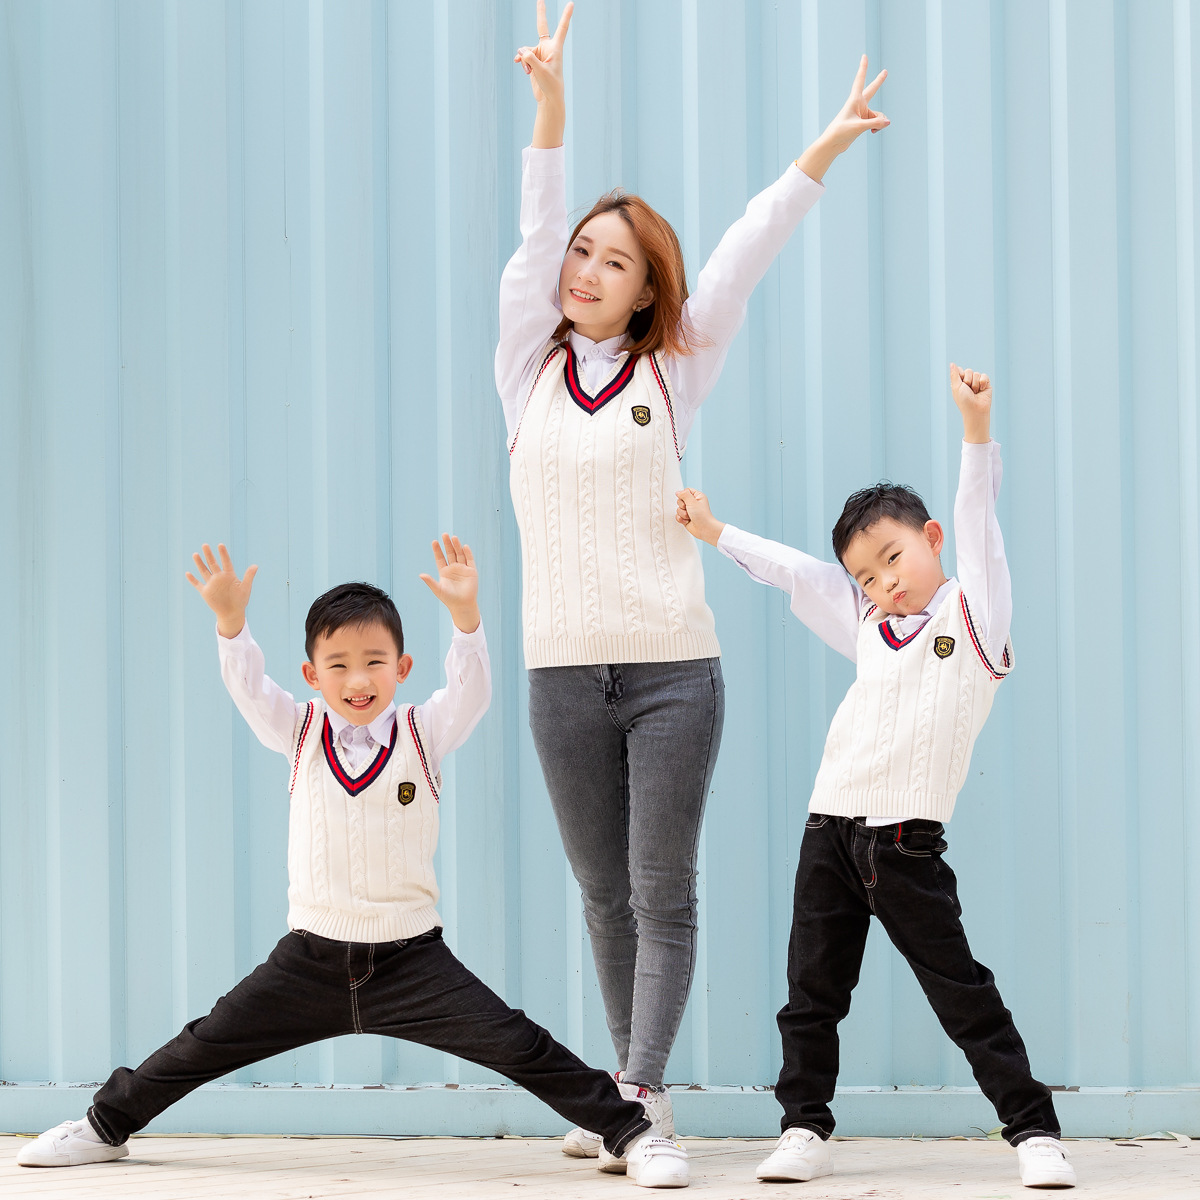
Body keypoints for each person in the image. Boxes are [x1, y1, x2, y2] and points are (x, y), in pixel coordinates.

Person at [497, 2, 889, 1176]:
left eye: (612, 259)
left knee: (663, 888)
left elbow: (743, 251)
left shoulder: (674, 370)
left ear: (644, 287)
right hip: (560, 668)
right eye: (582, 249)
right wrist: (551, 107)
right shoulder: (525, 369)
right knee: (601, 894)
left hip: (672, 667)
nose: (584, 268)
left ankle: (642, 1096)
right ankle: (630, 1094)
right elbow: (529, 230)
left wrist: (819, 152)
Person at [17, 536, 691, 1189]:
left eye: (374, 661)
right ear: (312, 676)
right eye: (337, 664)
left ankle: (633, 1134)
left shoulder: (422, 732)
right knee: (201, 1044)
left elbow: (473, 692)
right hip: (309, 959)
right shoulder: (299, 729)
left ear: (402, 669)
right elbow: (251, 690)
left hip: (412, 962)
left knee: (521, 1046)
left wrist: (465, 620)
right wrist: (231, 626)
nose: (357, 678)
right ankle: (105, 1127)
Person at [675, 366, 1076, 1190]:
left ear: (929, 540)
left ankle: (1034, 1131)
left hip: (905, 843)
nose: (882, 583)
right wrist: (715, 531)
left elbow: (979, 524)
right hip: (829, 831)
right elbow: (796, 573)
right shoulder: (867, 624)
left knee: (962, 994)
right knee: (809, 993)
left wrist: (976, 430)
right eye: (866, 575)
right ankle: (802, 1127)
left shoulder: (974, 616)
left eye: (892, 558)